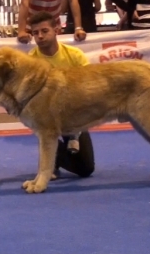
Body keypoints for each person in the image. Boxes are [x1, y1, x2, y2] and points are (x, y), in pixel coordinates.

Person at [27, 11, 95, 178]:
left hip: (76, 115)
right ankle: (50, 149)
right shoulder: (30, 61)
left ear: (56, 30)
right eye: (35, 33)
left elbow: (90, 84)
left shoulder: (75, 55)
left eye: (44, 31)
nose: (40, 36)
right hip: (48, 118)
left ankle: (58, 150)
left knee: (86, 170)